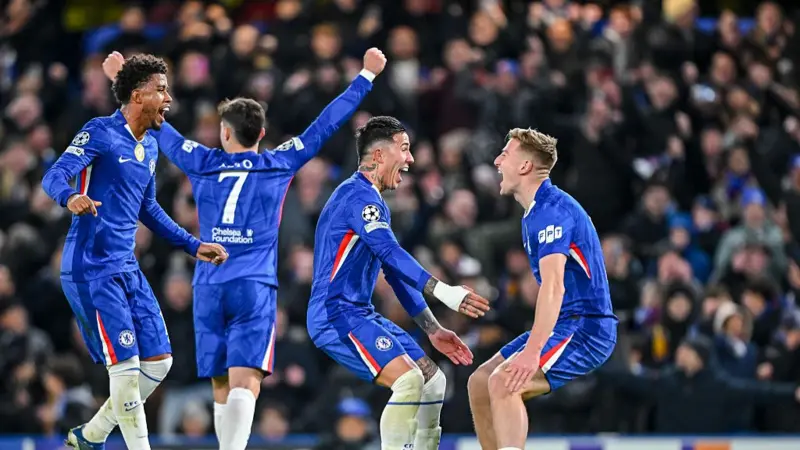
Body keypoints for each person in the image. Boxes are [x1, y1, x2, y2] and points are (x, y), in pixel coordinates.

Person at [99, 49, 386, 450]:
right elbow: (326, 124)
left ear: (225, 133)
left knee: (221, 382)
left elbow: (162, 131)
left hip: (209, 284)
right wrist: (366, 77)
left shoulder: (201, 160)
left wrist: (122, 79)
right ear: (262, 135)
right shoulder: (278, 162)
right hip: (253, 285)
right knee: (245, 383)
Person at [41, 55, 229, 450]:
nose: (169, 98)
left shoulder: (149, 148)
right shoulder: (100, 132)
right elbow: (54, 175)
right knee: (125, 371)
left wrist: (193, 245)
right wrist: (71, 196)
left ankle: (91, 435)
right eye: (161, 90)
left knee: (159, 363)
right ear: (136, 94)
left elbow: (150, 210)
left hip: (126, 266)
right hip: (91, 266)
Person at [308, 116, 491, 450]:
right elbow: (390, 251)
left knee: (433, 380)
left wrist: (432, 328)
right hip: (335, 314)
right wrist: (444, 291)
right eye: (404, 149)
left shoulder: (373, 202)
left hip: (359, 312)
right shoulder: (357, 198)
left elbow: (393, 270)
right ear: (378, 156)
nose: (410, 159)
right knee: (408, 380)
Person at [467, 128, 618, 450]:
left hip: (586, 327)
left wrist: (532, 353)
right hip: (567, 324)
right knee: (480, 383)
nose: (497, 160)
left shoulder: (552, 211)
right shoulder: (535, 212)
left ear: (524, 166)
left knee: (505, 382)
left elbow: (554, 287)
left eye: (505, 154)